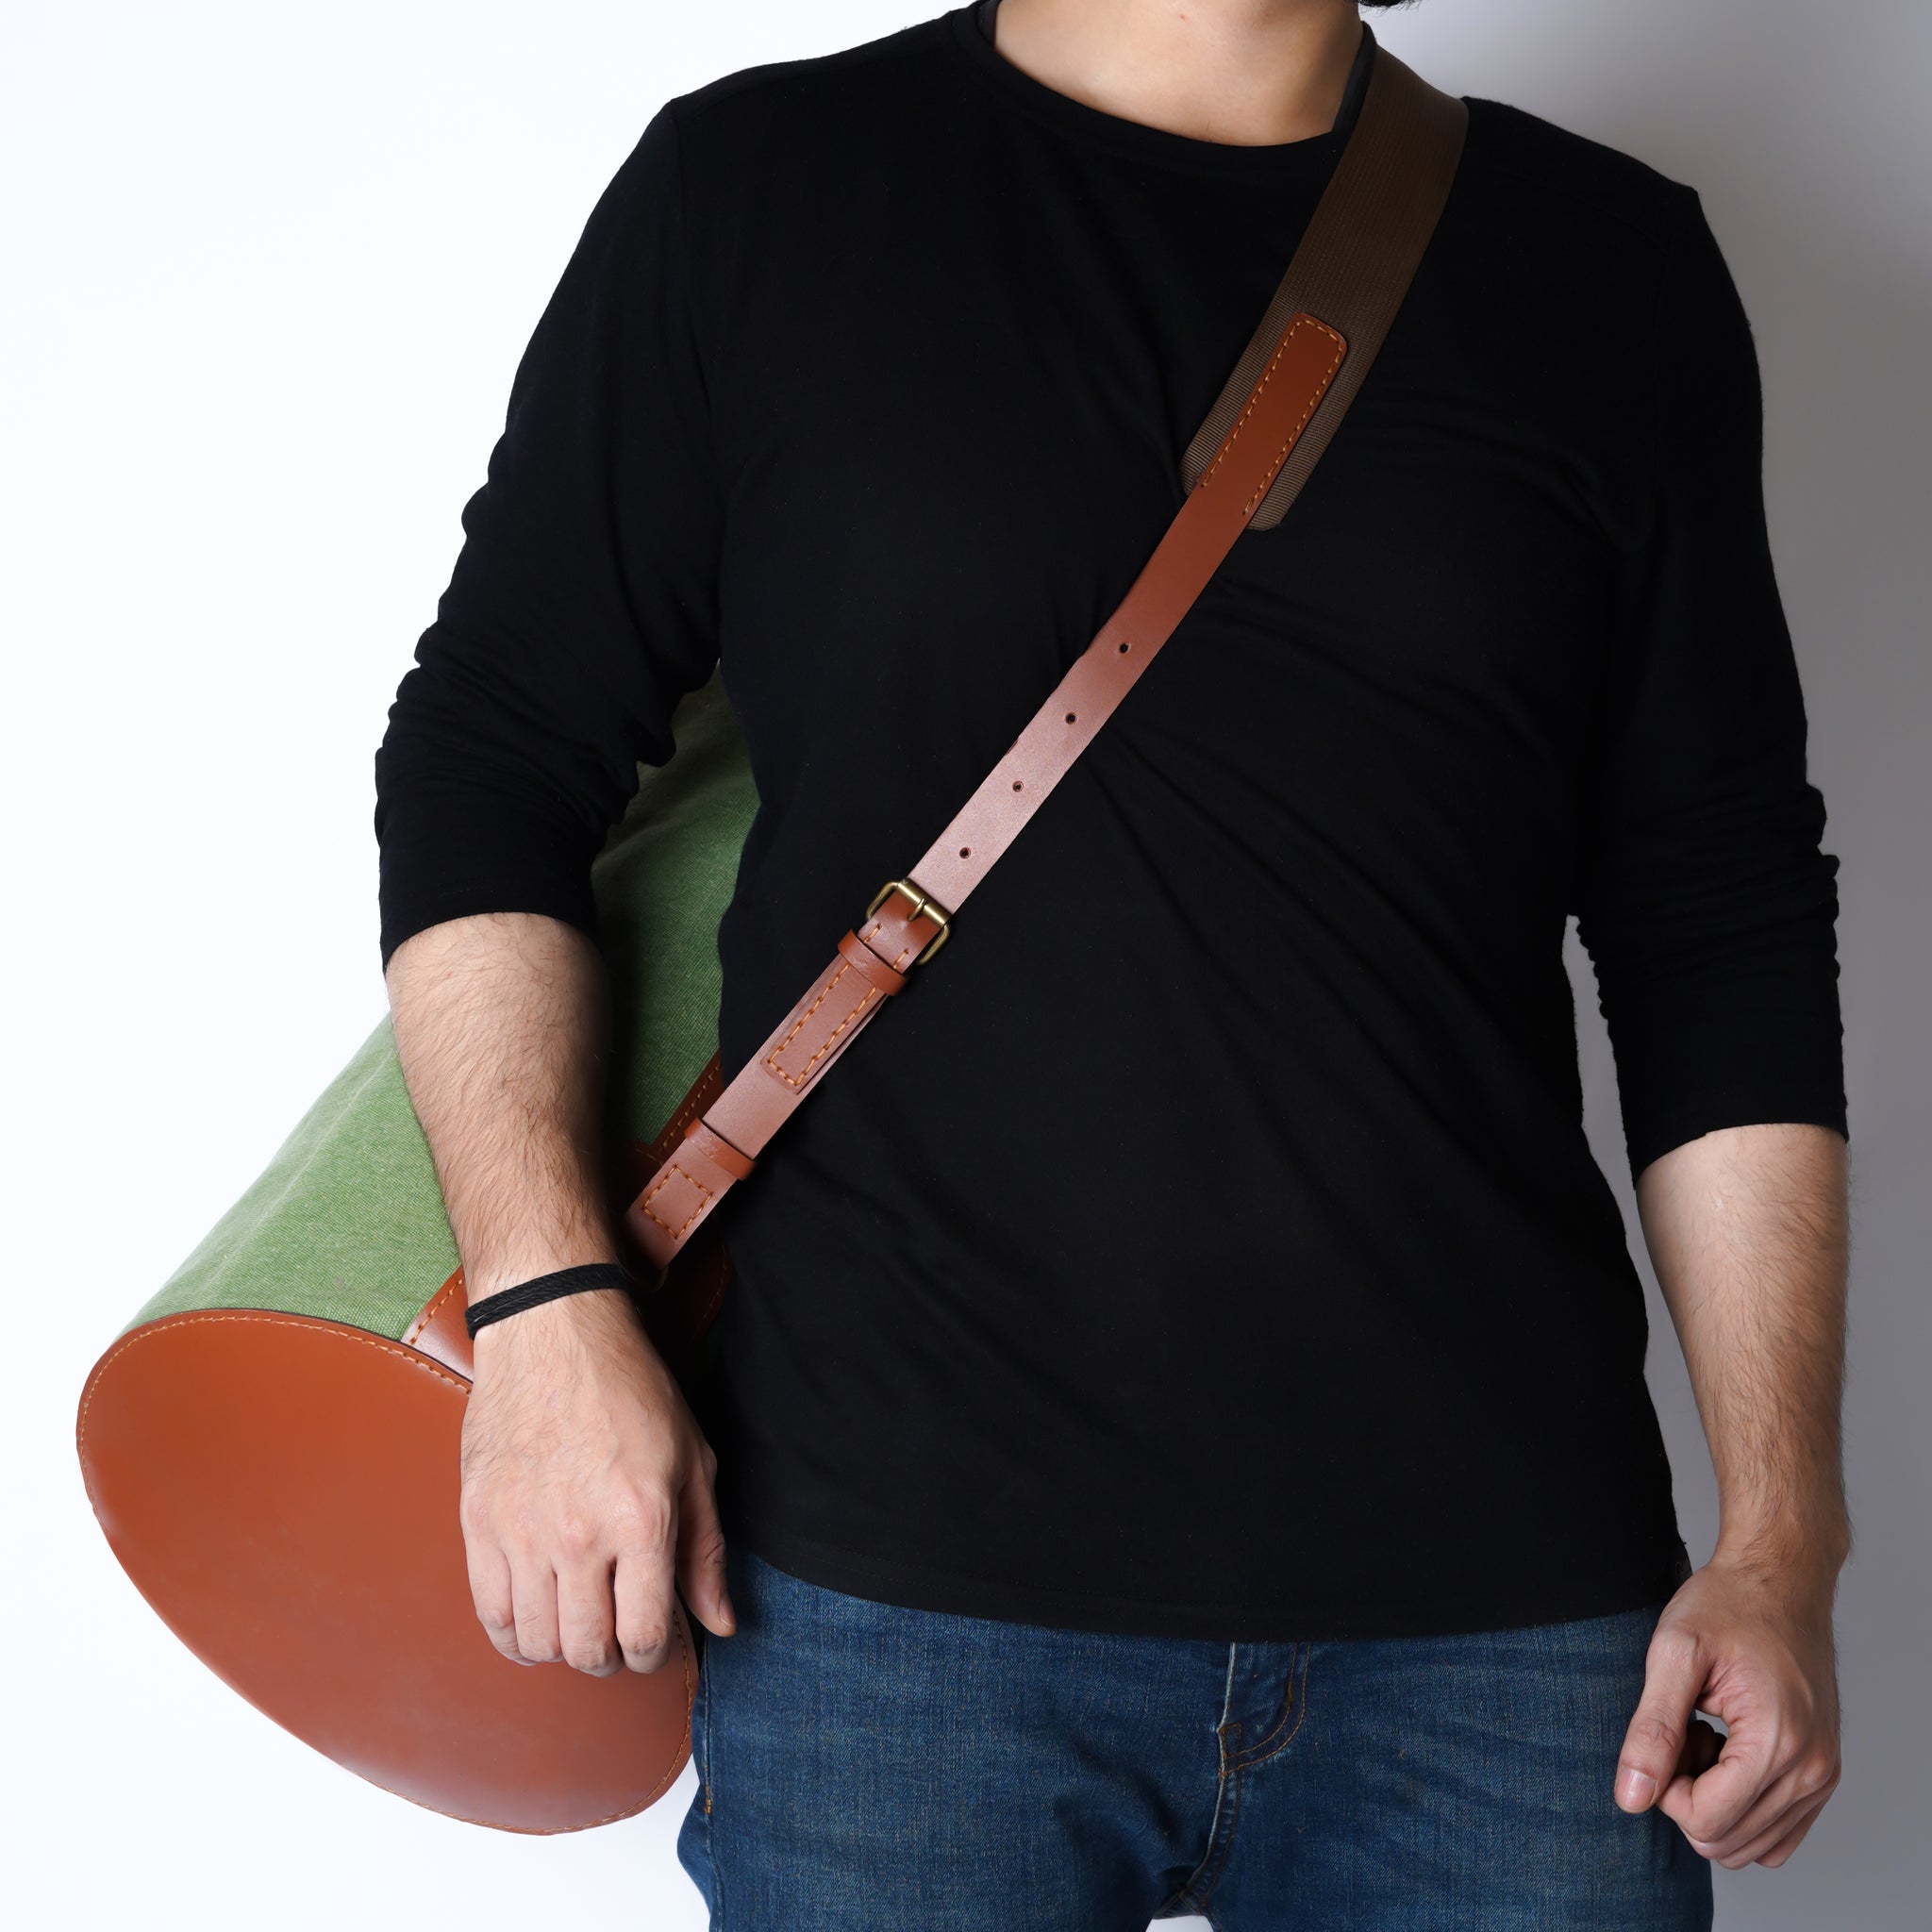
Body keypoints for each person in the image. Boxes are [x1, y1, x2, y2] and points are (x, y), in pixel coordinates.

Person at [374, 2, 1850, 1924]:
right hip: (884, 1600)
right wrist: (547, 1308)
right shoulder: (757, 191)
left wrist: (1784, 1537)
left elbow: (1717, 924)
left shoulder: (1611, 265)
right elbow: (490, 757)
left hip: (1511, 1634)